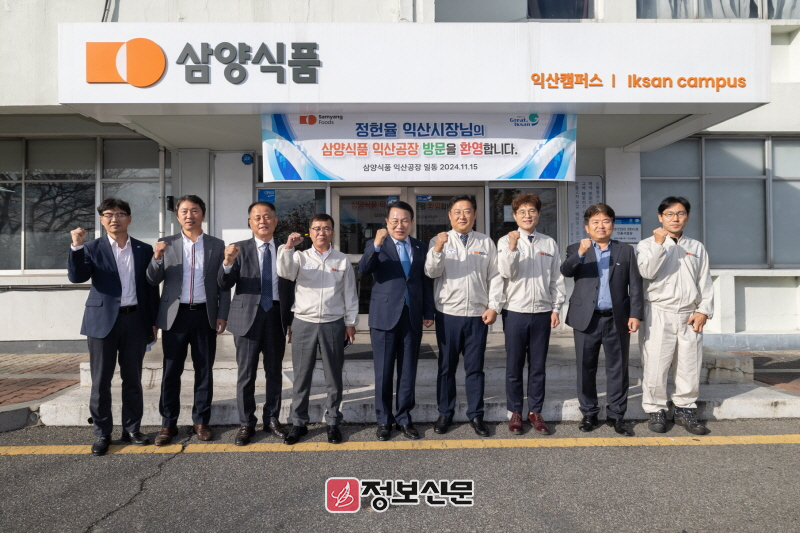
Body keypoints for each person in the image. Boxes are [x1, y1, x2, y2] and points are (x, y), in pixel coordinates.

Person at [67, 198, 159, 456]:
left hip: (135, 320)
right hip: (101, 321)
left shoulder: (143, 249)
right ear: (101, 219)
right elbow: (77, 277)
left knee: (133, 379)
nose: (114, 218)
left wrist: (153, 322)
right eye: (108, 214)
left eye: (120, 214)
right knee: (100, 381)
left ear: (129, 218)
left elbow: (150, 288)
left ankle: (132, 429)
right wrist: (76, 246)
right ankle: (102, 432)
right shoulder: (91, 248)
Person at [146, 195, 230, 445]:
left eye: (194, 210)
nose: (189, 215)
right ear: (177, 216)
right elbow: (152, 280)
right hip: (175, 316)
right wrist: (157, 257)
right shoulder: (167, 244)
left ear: (202, 214)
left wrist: (222, 313)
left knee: (204, 370)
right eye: (184, 211)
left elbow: (223, 284)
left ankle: (201, 421)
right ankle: (167, 424)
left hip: (205, 315)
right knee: (172, 370)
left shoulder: (217, 244)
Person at [560, 203, 643, 436]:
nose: (601, 226)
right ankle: (589, 413)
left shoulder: (625, 250)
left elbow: (635, 285)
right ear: (587, 227)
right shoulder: (575, 248)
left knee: (618, 369)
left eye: (605, 221)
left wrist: (635, 314)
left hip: (617, 318)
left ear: (612, 225)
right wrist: (581, 253)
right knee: (585, 368)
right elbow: (565, 271)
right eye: (595, 222)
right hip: (586, 319)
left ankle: (617, 415)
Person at [424, 195, 503, 437]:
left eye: (467, 211)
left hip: (478, 315)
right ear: (450, 216)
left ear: (475, 215)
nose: (462, 216)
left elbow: (495, 276)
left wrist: (494, 306)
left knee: (475, 368)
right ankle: (445, 412)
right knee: (446, 367)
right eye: (457, 212)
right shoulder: (438, 240)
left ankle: (476, 414)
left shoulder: (485, 242)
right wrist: (438, 248)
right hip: (448, 314)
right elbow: (431, 272)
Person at [217, 201, 295, 446]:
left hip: (275, 316)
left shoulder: (285, 249)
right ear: (250, 222)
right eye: (257, 217)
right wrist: (227, 263)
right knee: (246, 373)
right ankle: (246, 423)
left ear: (275, 221)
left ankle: (272, 419)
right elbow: (224, 284)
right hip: (246, 319)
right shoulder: (238, 249)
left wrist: (291, 320)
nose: (263, 221)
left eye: (267, 216)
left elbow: (293, 286)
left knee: (274, 371)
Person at [277, 213, 359, 445]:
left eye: (326, 228)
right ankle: (299, 423)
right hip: (304, 322)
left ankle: (332, 422)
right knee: (302, 376)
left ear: (332, 232)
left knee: (334, 376)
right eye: (317, 228)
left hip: (333, 322)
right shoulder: (300, 257)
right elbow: (285, 272)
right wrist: (288, 247)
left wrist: (350, 323)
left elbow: (350, 293)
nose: (321, 232)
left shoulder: (341, 260)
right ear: (310, 232)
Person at [637, 196, 714, 435]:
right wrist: (659, 245)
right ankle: (656, 410)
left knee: (689, 364)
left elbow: (705, 281)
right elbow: (646, 272)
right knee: (656, 364)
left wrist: (703, 311)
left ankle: (685, 409)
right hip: (659, 311)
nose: (675, 218)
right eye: (669, 214)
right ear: (660, 217)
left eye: (680, 213)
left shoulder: (696, 247)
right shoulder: (646, 244)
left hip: (689, 314)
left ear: (687, 216)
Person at [358, 201, 434, 441]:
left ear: (412, 222)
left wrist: (428, 312)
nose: (400, 225)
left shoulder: (420, 247)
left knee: (408, 370)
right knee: (383, 371)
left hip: (411, 316)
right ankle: (383, 420)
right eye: (395, 221)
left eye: (404, 221)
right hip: (384, 316)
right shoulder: (376, 244)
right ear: (387, 222)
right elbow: (364, 269)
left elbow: (425, 282)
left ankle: (404, 418)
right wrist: (377, 244)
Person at [497, 193, 565, 436]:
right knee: (514, 366)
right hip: (515, 312)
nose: (527, 216)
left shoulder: (549, 243)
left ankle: (535, 411)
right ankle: (515, 411)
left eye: (532, 211)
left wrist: (556, 307)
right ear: (514, 216)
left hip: (542, 313)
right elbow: (506, 272)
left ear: (538, 214)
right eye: (522, 212)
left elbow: (556, 278)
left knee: (538, 366)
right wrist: (513, 246)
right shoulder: (505, 241)